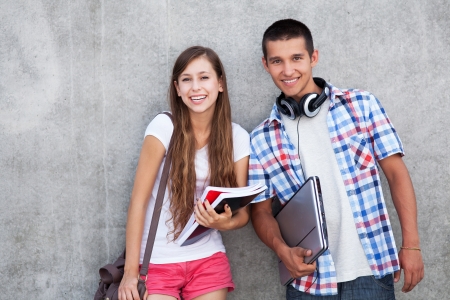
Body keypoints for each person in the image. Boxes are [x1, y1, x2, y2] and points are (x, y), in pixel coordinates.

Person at [248, 19, 424, 299]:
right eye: (277, 61)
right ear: (265, 64)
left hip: (371, 270)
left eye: (297, 58)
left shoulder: (362, 105)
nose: (288, 70)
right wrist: (283, 252)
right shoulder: (261, 137)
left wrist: (411, 245)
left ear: (313, 57)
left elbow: (396, 173)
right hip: (307, 279)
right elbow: (260, 211)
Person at [118, 46, 250, 300]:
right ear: (177, 89)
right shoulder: (164, 127)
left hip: (208, 260)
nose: (195, 87)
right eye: (186, 80)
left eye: (204, 77)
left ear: (220, 83)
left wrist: (225, 222)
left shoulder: (238, 138)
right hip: (156, 263)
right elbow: (138, 201)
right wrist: (130, 273)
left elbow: (243, 213)